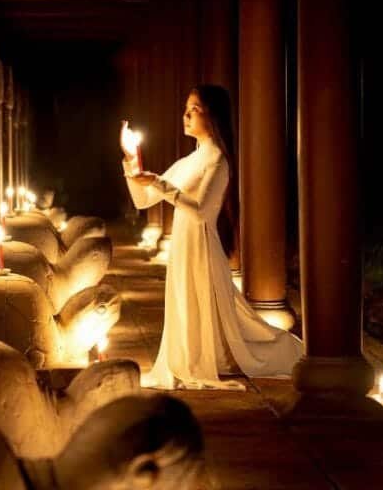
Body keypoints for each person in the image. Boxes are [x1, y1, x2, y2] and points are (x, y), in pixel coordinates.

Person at [121, 85, 303, 390]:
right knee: (185, 301)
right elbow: (143, 201)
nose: (186, 115)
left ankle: (267, 353)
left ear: (213, 116)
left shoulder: (217, 160)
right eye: (186, 109)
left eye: (195, 109)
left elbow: (202, 211)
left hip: (202, 245)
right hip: (183, 243)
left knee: (207, 305)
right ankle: (191, 356)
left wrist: (161, 184)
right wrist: (131, 163)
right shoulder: (189, 160)